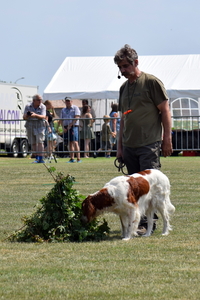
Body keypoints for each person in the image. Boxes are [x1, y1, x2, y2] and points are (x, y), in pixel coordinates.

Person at [114, 44, 173, 232]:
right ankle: (139, 221)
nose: (122, 71)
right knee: (134, 188)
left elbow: (165, 111)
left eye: (125, 66)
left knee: (149, 186)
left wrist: (167, 139)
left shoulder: (151, 82)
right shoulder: (123, 88)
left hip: (149, 143)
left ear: (135, 62)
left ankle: (149, 223)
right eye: (120, 67)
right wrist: (120, 147)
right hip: (130, 144)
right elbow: (123, 118)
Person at [23, 94, 46, 163]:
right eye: (38, 100)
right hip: (30, 126)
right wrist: (27, 115)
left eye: (41, 100)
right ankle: (36, 158)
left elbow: (43, 116)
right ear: (34, 100)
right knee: (33, 143)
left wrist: (35, 115)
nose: (40, 101)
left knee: (40, 142)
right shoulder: (28, 106)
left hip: (40, 127)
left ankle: (41, 158)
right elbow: (24, 117)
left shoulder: (43, 106)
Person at [60, 97, 81, 163]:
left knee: (75, 142)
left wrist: (71, 125)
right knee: (70, 143)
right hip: (66, 127)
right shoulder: (63, 110)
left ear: (71, 101)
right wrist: (63, 127)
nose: (68, 102)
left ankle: (78, 158)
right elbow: (61, 119)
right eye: (66, 101)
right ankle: (72, 158)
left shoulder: (75, 108)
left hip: (74, 127)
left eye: (69, 101)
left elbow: (77, 117)